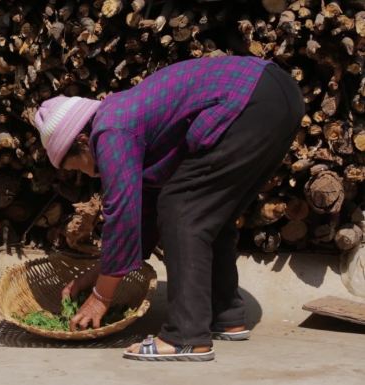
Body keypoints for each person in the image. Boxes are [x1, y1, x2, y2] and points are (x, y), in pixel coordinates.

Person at [33, 55, 304, 361]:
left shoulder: (109, 130)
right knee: (212, 214)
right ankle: (226, 316)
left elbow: (122, 214)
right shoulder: (128, 119)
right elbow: (143, 217)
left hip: (248, 100)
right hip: (279, 96)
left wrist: (100, 297)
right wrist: (96, 275)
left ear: (82, 140)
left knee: (182, 209)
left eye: (76, 165)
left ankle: (186, 336)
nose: (87, 174)